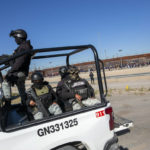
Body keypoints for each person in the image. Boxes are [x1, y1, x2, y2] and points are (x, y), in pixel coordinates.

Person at [2, 29, 33, 108]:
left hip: (19, 72)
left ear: (20, 37)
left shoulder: (24, 47)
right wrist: (8, 60)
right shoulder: (24, 46)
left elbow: (19, 62)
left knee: (5, 83)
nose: (15, 40)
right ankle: (25, 105)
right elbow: (16, 60)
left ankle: (8, 104)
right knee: (21, 90)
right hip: (22, 72)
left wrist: (11, 72)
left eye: (15, 38)